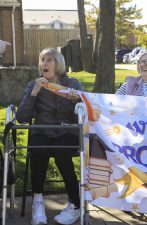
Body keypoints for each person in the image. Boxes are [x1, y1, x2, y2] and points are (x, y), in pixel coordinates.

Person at [16, 48, 82, 225]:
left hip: (67, 131)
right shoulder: (33, 84)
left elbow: (85, 116)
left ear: (58, 64)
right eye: (42, 60)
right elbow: (22, 118)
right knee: (38, 149)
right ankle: (38, 201)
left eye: (49, 60)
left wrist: (78, 102)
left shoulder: (73, 84)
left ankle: (76, 203)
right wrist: (35, 91)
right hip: (42, 130)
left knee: (61, 151)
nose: (44, 63)